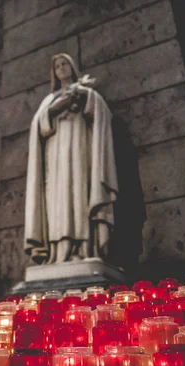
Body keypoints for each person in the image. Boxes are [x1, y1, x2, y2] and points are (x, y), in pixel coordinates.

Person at [25, 53, 119, 264]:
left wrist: (82, 96)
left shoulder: (86, 91)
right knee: (58, 199)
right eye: (57, 65)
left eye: (64, 64)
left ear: (72, 66)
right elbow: (38, 126)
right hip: (55, 155)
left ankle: (85, 248)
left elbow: (102, 114)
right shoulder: (50, 99)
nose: (61, 68)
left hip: (79, 148)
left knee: (79, 193)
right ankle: (59, 252)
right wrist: (55, 108)